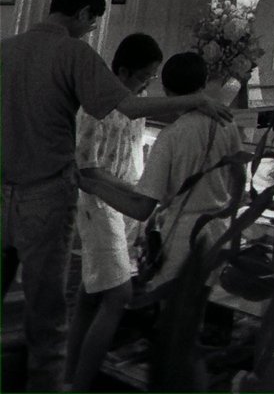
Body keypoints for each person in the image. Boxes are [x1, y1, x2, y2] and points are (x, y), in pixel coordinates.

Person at [0, 0, 231, 393]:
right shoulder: (73, 52)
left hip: (3, 190)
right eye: (91, 23)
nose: (90, 31)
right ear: (84, 13)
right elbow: (128, 105)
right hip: (46, 195)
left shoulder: (6, 48)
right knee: (46, 317)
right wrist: (194, 100)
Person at [79, 51, 242, 293]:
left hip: (182, 236)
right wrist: (231, 212)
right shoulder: (227, 124)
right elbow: (239, 176)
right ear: (204, 83)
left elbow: (141, 208)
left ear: (166, 91)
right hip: (219, 230)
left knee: (173, 314)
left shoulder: (171, 137)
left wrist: (92, 185)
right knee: (202, 309)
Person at [65, 32, 164, 392]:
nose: (146, 86)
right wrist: (137, 191)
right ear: (122, 71)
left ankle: (69, 376)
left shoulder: (134, 106)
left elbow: (132, 156)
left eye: (151, 79)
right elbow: (87, 168)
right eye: (143, 78)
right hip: (98, 204)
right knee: (117, 296)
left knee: (91, 296)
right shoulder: (96, 106)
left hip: (121, 206)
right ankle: (81, 382)